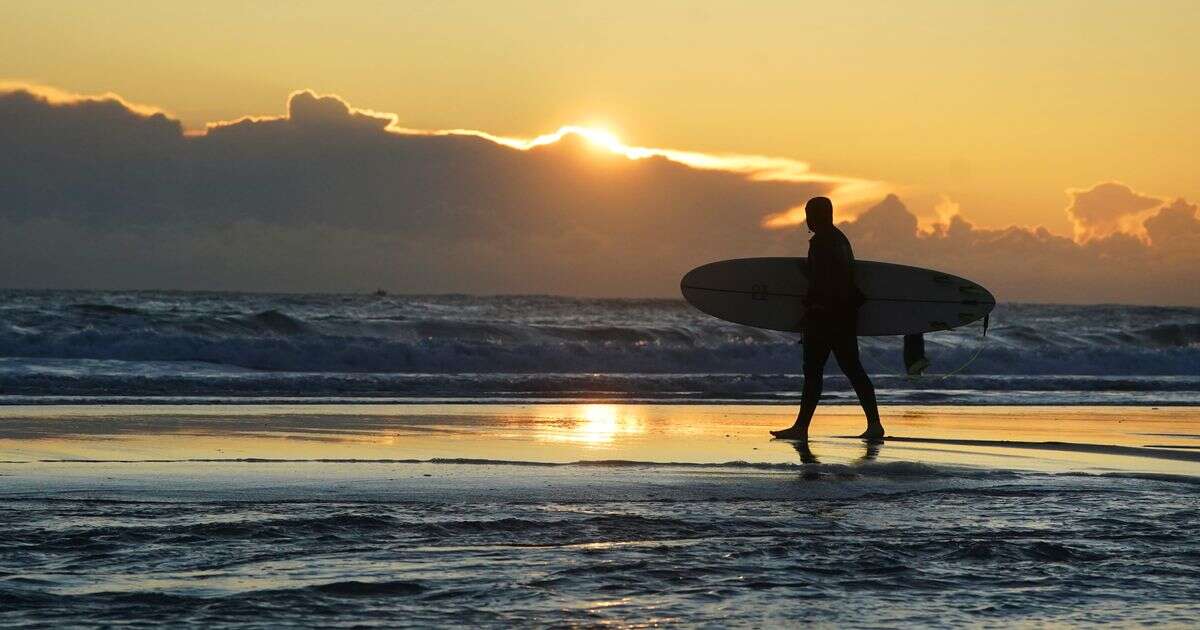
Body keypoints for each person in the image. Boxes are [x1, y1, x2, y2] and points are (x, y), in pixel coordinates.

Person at [771, 197, 885, 441]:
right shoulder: (840, 239)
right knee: (853, 370)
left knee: (813, 371)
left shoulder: (822, 242)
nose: (807, 218)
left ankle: (801, 428)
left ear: (818, 215)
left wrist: (813, 310)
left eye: (809, 213)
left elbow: (824, 281)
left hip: (826, 317)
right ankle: (875, 424)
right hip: (844, 315)